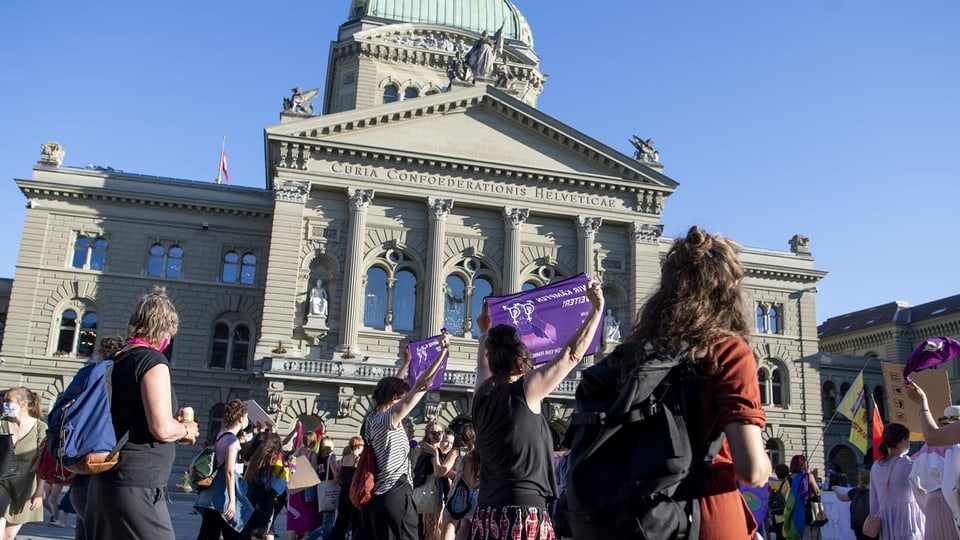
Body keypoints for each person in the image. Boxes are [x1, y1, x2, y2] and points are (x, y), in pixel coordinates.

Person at [605, 226, 770, 538]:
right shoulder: (728, 352)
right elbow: (751, 469)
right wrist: (765, 464)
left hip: (640, 521)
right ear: (730, 286)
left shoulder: (634, 354)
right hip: (706, 517)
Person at [471, 276, 604, 539]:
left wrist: (485, 332)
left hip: (486, 515)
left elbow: (481, 366)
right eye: (530, 363)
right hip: (522, 512)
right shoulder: (524, 391)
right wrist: (596, 310)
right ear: (520, 366)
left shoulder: (481, 395)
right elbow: (571, 355)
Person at [84, 286, 201, 540]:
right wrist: (186, 429)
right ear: (166, 329)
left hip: (104, 482)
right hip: (136, 485)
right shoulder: (152, 361)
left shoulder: (117, 359)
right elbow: (161, 428)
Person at [358, 332, 450, 540]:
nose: (404, 401)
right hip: (396, 492)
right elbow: (422, 385)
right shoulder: (390, 418)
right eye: (401, 397)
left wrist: (405, 363)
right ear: (394, 399)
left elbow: (390, 388)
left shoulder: (372, 419)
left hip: (379, 497)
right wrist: (442, 353)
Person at [71, 335, 124, 540]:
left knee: (83, 525)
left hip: (84, 462)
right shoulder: (122, 379)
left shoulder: (87, 374)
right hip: (110, 462)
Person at [907, 383, 960, 533]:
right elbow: (952, 482)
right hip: (952, 504)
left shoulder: (924, 449)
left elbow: (913, 482)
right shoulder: (954, 446)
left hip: (932, 507)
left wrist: (927, 504)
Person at [195, 398, 249, 540]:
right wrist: (232, 501)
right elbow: (229, 471)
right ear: (241, 418)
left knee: (208, 533)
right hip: (223, 493)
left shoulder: (221, 435)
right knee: (231, 532)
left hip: (212, 492)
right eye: (246, 417)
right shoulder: (232, 441)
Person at [0, 386, 46, 539]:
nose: (4, 404)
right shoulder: (1, 424)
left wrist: (39, 491)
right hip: (2, 483)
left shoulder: (40, 428)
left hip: (25, 486)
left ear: (23, 404)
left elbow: (42, 463)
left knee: (8, 536)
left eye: (8, 401)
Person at [869, 423, 925, 539]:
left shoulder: (876, 466)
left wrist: (874, 517)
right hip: (907, 520)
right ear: (902, 442)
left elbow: (873, 499)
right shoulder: (907, 464)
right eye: (907, 440)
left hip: (885, 522)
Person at [242, 433, 285, 540]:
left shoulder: (257, 456)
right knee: (260, 532)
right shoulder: (276, 459)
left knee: (252, 533)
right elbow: (281, 484)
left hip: (251, 498)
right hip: (266, 501)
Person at [440, 423, 478, 540]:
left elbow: (441, 472)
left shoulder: (458, 452)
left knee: (449, 529)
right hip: (477, 498)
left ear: (461, 437)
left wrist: (436, 456)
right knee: (466, 529)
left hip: (458, 496)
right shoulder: (480, 453)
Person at [410, 420, 446, 540]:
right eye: (433, 433)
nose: (437, 435)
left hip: (424, 491)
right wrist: (435, 455)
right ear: (427, 434)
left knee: (428, 527)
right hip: (430, 491)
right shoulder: (431, 449)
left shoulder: (423, 447)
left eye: (440, 432)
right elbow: (437, 474)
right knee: (431, 528)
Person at [287, 430, 322, 540]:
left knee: (294, 517)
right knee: (308, 517)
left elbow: (291, 465)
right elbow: (313, 470)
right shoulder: (312, 453)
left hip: (295, 487)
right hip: (307, 488)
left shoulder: (298, 452)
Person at [328, 436, 364, 540]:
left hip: (343, 491)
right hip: (353, 491)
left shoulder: (345, 458)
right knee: (356, 520)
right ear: (358, 446)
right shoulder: (358, 459)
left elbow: (339, 476)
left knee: (341, 519)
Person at [784, 455, 822, 540]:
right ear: (804, 464)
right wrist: (813, 479)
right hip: (808, 512)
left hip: (793, 511)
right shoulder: (808, 476)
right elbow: (817, 492)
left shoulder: (789, 478)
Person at [833, 470, 871, 540]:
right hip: (869, 523)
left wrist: (835, 490)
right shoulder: (873, 491)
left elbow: (842, 498)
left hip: (856, 523)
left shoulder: (855, 491)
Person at [769, 463, 791, 540]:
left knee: (778, 536)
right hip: (784, 516)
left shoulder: (772, 484)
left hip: (775, 516)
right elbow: (789, 501)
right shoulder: (787, 485)